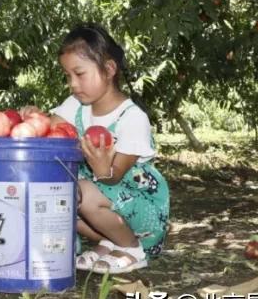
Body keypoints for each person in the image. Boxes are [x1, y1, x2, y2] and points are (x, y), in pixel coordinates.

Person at [21, 23, 169, 274]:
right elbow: (48, 129)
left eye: (80, 74)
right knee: (55, 196)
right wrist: (34, 120)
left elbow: (115, 177)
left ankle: (133, 249)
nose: (73, 84)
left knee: (79, 193)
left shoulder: (131, 118)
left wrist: (103, 170)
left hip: (143, 219)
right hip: (101, 208)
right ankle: (109, 243)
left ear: (109, 69)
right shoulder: (75, 106)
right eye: (68, 76)